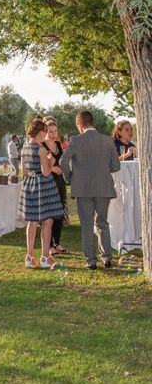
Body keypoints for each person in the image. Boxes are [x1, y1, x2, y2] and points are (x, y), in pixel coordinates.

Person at [60, 111, 120, 270]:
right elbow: (116, 166)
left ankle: (91, 261)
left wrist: (70, 177)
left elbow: (63, 161)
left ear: (80, 124)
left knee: (87, 225)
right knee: (102, 223)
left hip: (83, 188)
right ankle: (106, 258)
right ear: (92, 122)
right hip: (103, 187)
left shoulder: (76, 140)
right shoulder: (108, 141)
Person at [18, 119, 65, 269]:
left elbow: (23, 172)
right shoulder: (41, 149)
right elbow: (46, 172)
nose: (46, 135)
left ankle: (29, 256)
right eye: (45, 132)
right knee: (48, 221)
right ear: (40, 133)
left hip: (30, 185)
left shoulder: (24, 148)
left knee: (32, 222)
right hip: (44, 186)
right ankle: (45, 257)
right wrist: (51, 162)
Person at [42, 119, 70, 256]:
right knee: (49, 215)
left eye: (55, 131)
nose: (53, 134)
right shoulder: (41, 146)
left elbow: (62, 160)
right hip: (48, 182)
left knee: (59, 213)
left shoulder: (59, 144)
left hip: (59, 182)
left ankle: (57, 243)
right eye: (50, 131)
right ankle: (49, 246)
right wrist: (51, 168)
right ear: (45, 132)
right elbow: (39, 166)